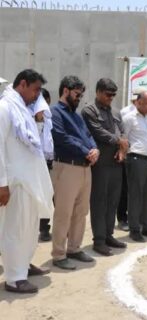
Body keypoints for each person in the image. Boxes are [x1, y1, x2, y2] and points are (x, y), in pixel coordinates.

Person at [0, 69, 53, 293]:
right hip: (15, 182)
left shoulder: (23, 108)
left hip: (30, 182)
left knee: (29, 229)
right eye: (35, 89)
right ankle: (14, 277)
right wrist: (2, 184)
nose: (37, 95)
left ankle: (23, 265)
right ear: (22, 84)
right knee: (15, 229)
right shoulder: (4, 108)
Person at [51, 76, 99, 270]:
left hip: (85, 168)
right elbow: (61, 138)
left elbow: (88, 136)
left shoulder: (76, 115)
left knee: (80, 212)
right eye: (77, 94)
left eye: (81, 94)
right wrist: (86, 151)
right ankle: (59, 253)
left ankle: (74, 248)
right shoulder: (55, 112)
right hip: (67, 167)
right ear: (65, 90)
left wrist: (95, 149)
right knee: (64, 212)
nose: (79, 97)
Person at [82, 78, 128, 256]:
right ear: (98, 92)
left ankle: (109, 235)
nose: (111, 98)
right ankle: (99, 240)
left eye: (113, 95)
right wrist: (120, 142)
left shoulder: (116, 112)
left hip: (117, 162)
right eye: (108, 94)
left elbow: (122, 130)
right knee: (99, 202)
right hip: (100, 165)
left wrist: (123, 150)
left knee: (113, 201)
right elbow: (97, 132)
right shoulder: (89, 111)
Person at [122, 90, 147, 241]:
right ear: (138, 102)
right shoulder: (129, 118)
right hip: (137, 160)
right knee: (136, 195)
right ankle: (135, 229)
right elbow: (123, 138)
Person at [116, 86, 147, 232]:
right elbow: (122, 135)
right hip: (128, 156)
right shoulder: (125, 113)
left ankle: (137, 218)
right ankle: (122, 219)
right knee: (124, 189)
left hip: (140, 158)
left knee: (138, 190)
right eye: (135, 99)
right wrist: (123, 153)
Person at [34, 88, 54, 242]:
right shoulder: (28, 119)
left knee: (47, 196)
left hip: (48, 163)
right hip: (33, 164)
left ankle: (44, 228)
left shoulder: (49, 120)